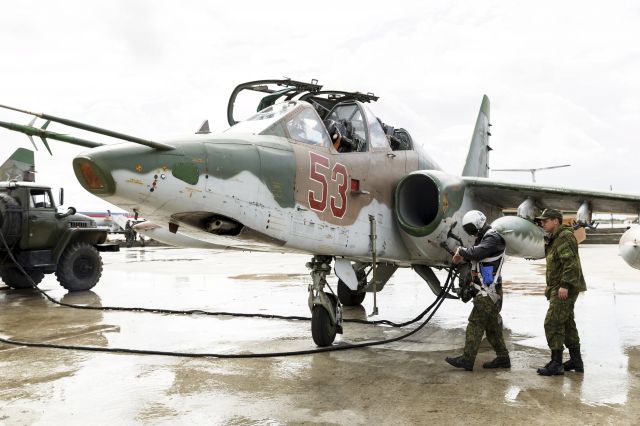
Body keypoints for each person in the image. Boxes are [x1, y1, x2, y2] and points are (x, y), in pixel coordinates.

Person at [445, 210, 511, 371]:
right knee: (492, 328)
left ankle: (467, 360)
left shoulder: (493, 238)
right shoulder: (485, 238)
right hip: (487, 291)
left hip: (488, 293)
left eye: (472, 228)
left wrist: (460, 251)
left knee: (475, 323)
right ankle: (503, 359)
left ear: (479, 224)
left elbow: (477, 253)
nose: (471, 233)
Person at [535, 209, 586, 376]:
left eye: (545, 220)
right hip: (559, 286)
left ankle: (556, 363)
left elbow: (570, 264)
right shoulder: (554, 238)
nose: (542, 223)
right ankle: (576, 361)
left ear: (556, 221)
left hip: (565, 287)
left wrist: (564, 285)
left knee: (552, 322)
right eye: (541, 221)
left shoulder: (564, 237)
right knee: (567, 323)